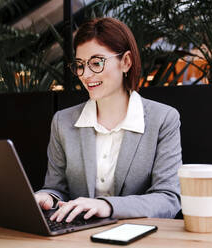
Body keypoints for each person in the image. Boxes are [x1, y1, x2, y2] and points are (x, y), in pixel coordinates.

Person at [35, 17, 182, 223]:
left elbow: (169, 199)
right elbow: (56, 189)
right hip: (78, 237)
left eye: (96, 63)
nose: (85, 74)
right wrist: (46, 197)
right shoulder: (63, 122)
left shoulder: (163, 119)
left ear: (126, 62)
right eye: (80, 65)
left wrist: (106, 205)